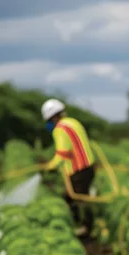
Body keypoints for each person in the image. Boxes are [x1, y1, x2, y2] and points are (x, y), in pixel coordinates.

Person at [42, 99, 96, 236]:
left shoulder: (59, 129)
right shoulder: (73, 122)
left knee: (79, 199)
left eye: (48, 120)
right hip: (88, 167)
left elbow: (63, 154)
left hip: (78, 170)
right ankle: (80, 224)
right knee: (74, 197)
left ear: (54, 117)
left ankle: (85, 228)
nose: (48, 124)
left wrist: (49, 167)